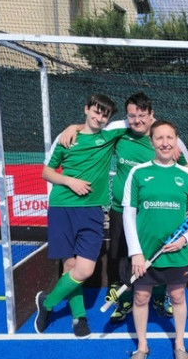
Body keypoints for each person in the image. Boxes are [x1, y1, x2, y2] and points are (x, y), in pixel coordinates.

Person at [59, 92, 188, 324]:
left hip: (153, 213)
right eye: (132, 116)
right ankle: (125, 300)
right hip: (121, 210)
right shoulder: (120, 130)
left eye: (142, 115)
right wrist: (74, 126)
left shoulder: (165, 138)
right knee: (121, 256)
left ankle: (159, 298)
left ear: (151, 115)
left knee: (158, 254)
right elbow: (94, 128)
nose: (137, 120)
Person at [34, 93, 128, 338]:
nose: (99, 117)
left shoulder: (109, 136)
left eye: (105, 115)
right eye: (96, 111)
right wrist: (69, 181)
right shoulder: (66, 138)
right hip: (61, 207)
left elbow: (141, 120)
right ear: (86, 109)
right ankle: (79, 317)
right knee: (70, 266)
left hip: (92, 210)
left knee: (84, 269)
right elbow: (46, 172)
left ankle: (47, 303)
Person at [122, 120, 188, 359]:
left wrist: (184, 238)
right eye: (159, 138)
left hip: (177, 252)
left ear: (176, 141)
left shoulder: (186, 175)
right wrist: (135, 252)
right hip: (145, 252)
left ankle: (179, 343)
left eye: (169, 138)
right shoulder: (138, 172)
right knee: (141, 296)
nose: (165, 143)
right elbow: (128, 214)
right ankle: (142, 346)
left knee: (177, 295)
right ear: (151, 141)